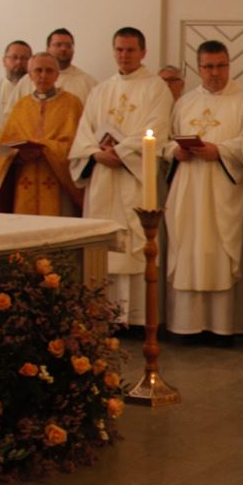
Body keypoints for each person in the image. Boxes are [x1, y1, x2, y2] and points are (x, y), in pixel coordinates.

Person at [69, 27, 173, 325]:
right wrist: (94, 154)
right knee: (104, 245)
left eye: (130, 50)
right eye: (119, 49)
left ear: (143, 52)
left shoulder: (156, 88)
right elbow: (84, 133)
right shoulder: (100, 90)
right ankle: (103, 317)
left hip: (133, 180)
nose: (124, 55)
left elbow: (156, 129)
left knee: (134, 245)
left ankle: (138, 319)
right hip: (103, 177)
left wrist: (122, 152)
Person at [163, 40, 243, 339]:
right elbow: (164, 139)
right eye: (208, 67)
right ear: (198, 68)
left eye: (220, 66)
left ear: (229, 65)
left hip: (224, 189)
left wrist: (220, 150)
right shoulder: (184, 102)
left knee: (221, 252)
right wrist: (173, 152)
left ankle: (224, 326)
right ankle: (186, 325)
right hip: (189, 188)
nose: (214, 73)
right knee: (188, 249)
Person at [0, 52, 85, 215]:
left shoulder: (71, 104)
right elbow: (2, 149)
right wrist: (18, 155)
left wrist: (46, 148)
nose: (43, 75)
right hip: (25, 178)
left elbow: (79, 145)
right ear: (30, 75)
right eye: (38, 70)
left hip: (59, 182)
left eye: (49, 71)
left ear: (57, 75)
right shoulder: (21, 106)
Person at [16, 28, 97, 105]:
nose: (63, 49)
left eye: (68, 45)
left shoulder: (87, 83)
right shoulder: (28, 80)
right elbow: (11, 113)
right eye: (58, 45)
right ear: (47, 48)